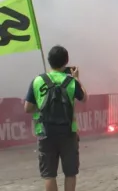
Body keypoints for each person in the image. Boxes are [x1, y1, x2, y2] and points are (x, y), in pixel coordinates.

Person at [24, 45, 87, 191]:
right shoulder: (71, 81)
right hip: (68, 132)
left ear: (49, 60)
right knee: (70, 173)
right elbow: (84, 98)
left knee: (49, 175)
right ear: (66, 62)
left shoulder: (38, 80)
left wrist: (41, 105)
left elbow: (27, 108)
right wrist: (77, 79)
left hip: (45, 132)